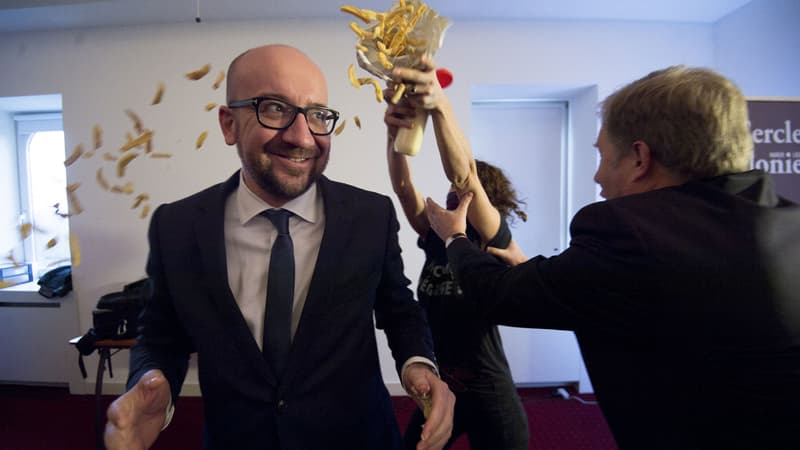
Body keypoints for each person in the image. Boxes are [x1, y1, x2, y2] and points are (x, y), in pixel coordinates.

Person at [424, 65, 800, 449]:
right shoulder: (789, 223)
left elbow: (494, 292)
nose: (597, 178)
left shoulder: (628, 232)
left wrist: (453, 236)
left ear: (640, 158)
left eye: (602, 156)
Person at [103, 44, 455, 450]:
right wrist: (155, 384)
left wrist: (418, 363)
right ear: (229, 124)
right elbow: (162, 332)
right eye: (274, 108)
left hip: (357, 437)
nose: (302, 136)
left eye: (318, 115)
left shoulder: (371, 215)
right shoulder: (178, 226)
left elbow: (399, 309)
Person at [384, 58, 529, 450]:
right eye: (451, 194)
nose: (454, 197)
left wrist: (438, 104)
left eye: (461, 195)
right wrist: (394, 132)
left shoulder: (492, 239)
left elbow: (466, 177)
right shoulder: (437, 237)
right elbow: (402, 185)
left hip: (489, 391)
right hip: (442, 385)